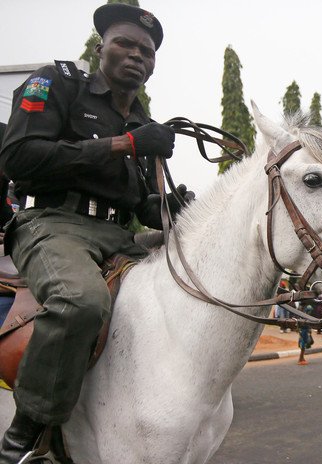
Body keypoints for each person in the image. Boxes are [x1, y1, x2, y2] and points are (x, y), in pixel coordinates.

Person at [0, 4, 189, 460]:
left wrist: (172, 206)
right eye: (124, 43)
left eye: (146, 51)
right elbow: (19, 158)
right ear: (100, 47)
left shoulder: (144, 123)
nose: (136, 54)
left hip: (119, 235)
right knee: (79, 301)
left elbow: (140, 207)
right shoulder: (58, 82)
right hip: (53, 224)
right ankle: (27, 433)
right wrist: (123, 145)